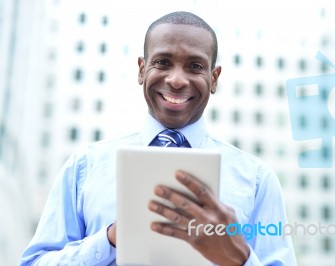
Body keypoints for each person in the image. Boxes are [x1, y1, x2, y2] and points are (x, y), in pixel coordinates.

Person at [20, 11, 297, 266]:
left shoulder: (257, 180)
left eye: (195, 66)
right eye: (162, 62)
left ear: (214, 78)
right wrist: (110, 239)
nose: (177, 80)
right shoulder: (85, 166)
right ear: (142, 69)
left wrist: (239, 258)